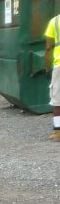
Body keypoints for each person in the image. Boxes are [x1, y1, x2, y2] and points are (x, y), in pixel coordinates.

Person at [46, 11, 60, 142]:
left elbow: (48, 48)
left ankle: (58, 132)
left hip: (59, 65)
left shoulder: (54, 22)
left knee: (57, 101)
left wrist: (47, 67)